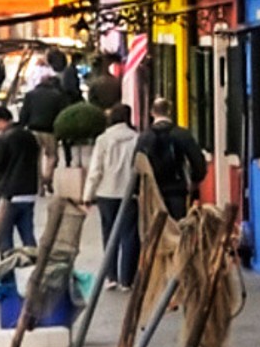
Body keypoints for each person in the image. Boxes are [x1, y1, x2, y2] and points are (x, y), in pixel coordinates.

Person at [82, 106, 140, 281]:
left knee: (109, 234)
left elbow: (96, 170)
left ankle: (111, 276)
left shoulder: (103, 140)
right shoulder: (136, 138)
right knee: (129, 234)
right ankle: (127, 278)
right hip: (129, 193)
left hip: (106, 193)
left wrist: (87, 195)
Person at [0, 102, 41, 251]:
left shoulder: (2, 140)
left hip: (8, 194)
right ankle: (38, 269)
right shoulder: (30, 136)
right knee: (28, 236)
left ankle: (8, 273)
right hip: (28, 192)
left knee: (4, 238)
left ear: (1, 120)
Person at [137, 97, 207, 222]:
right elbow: (198, 161)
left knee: (156, 230)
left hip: (153, 192)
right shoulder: (182, 134)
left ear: (152, 113)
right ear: (169, 111)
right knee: (178, 227)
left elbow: (136, 165)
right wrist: (195, 180)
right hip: (177, 190)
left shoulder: (144, 138)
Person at [18, 58, 71, 194]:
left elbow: (24, 113)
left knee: (37, 158)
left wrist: (21, 127)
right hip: (50, 130)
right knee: (52, 156)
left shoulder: (30, 95)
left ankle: (40, 184)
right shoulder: (57, 95)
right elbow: (62, 114)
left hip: (33, 129)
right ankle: (48, 178)